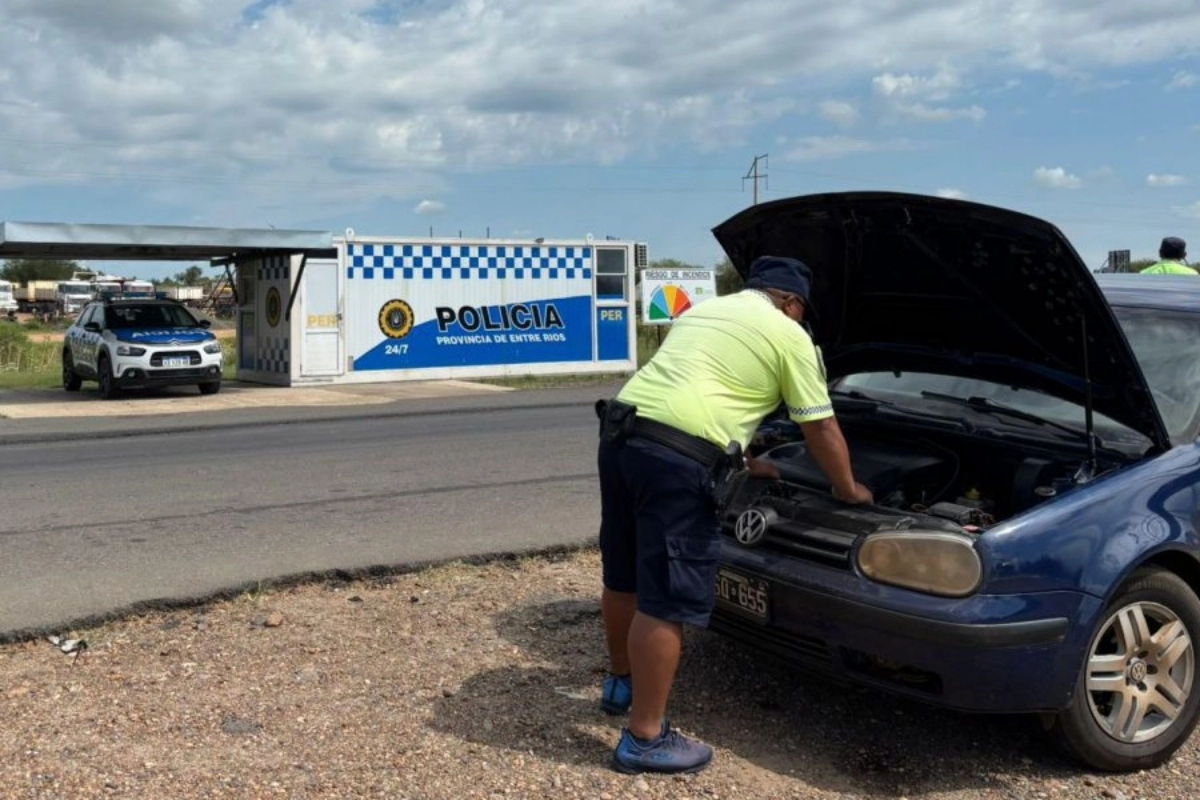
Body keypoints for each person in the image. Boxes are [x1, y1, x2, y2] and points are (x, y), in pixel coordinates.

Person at [594, 255, 873, 775]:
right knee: (667, 597)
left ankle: (620, 683)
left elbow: (709, 385)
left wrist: (747, 460)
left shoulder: (705, 311)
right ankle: (645, 738)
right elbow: (821, 430)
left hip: (621, 436)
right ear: (792, 303)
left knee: (624, 572)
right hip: (676, 462)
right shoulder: (790, 337)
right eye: (801, 311)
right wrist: (849, 490)